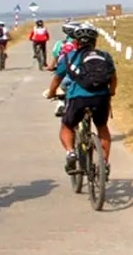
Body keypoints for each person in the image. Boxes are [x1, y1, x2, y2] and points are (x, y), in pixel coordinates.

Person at [44, 22, 117, 180]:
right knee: (102, 127)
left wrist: (51, 93)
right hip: (101, 98)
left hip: (78, 98)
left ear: (76, 41)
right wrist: (111, 91)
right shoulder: (105, 56)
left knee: (67, 125)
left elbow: (58, 77)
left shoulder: (70, 57)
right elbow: (113, 78)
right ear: (95, 42)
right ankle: (104, 163)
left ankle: (70, 152)